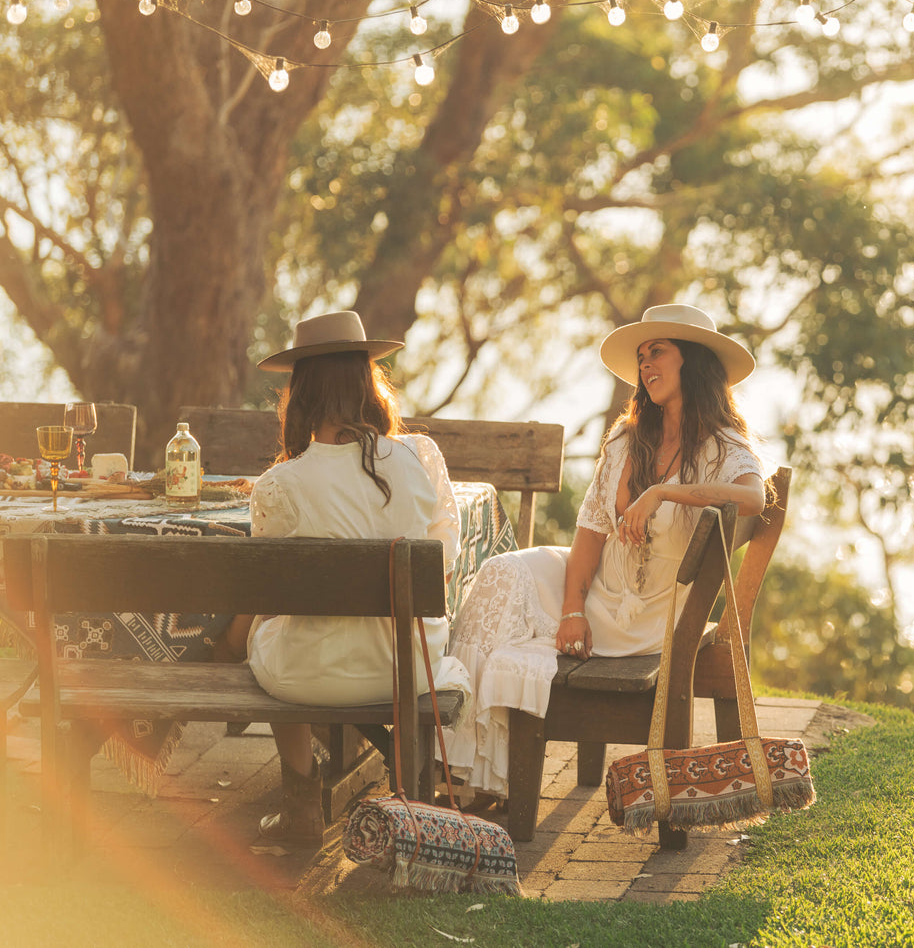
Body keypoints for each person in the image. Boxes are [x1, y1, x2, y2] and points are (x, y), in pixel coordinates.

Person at [442, 303, 768, 807]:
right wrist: (572, 610)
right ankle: (467, 773)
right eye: (641, 357)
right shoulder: (626, 438)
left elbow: (754, 499)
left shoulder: (722, 447)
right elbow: (592, 531)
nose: (645, 365)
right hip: (596, 588)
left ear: (694, 361)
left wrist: (662, 493)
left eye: (657, 351)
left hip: (651, 614)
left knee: (513, 639)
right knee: (497, 576)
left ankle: (481, 780)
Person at [215, 309, 467, 843]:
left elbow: (269, 592)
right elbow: (440, 561)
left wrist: (237, 637)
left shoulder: (280, 484)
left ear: (300, 393)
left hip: (308, 676)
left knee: (266, 632)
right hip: (404, 672)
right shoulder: (414, 461)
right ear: (367, 384)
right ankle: (408, 797)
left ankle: (302, 802)